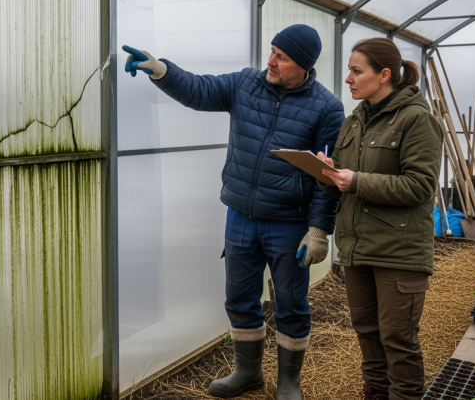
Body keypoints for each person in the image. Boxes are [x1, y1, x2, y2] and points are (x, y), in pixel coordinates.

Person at [123, 24, 344, 400]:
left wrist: (319, 230)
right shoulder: (246, 83)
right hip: (240, 215)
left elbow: (327, 176)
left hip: (289, 222)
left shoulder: (326, 107)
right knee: (239, 298)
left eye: (281, 57)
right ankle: (248, 372)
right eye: (272, 51)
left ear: (303, 65)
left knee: (291, 303)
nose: (270, 61)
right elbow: (199, 90)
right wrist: (161, 70)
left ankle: (289, 381)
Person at [317, 38, 442, 400]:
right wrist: (327, 174)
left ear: (384, 75)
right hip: (358, 248)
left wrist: (356, 181)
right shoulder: (354, 121)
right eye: (350, 71)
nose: (348, 79)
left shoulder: (416, 119)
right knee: (368, 334)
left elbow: (420, 186)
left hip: (398, 251)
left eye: (357, 71)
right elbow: (343, 184)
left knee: (398, 340)